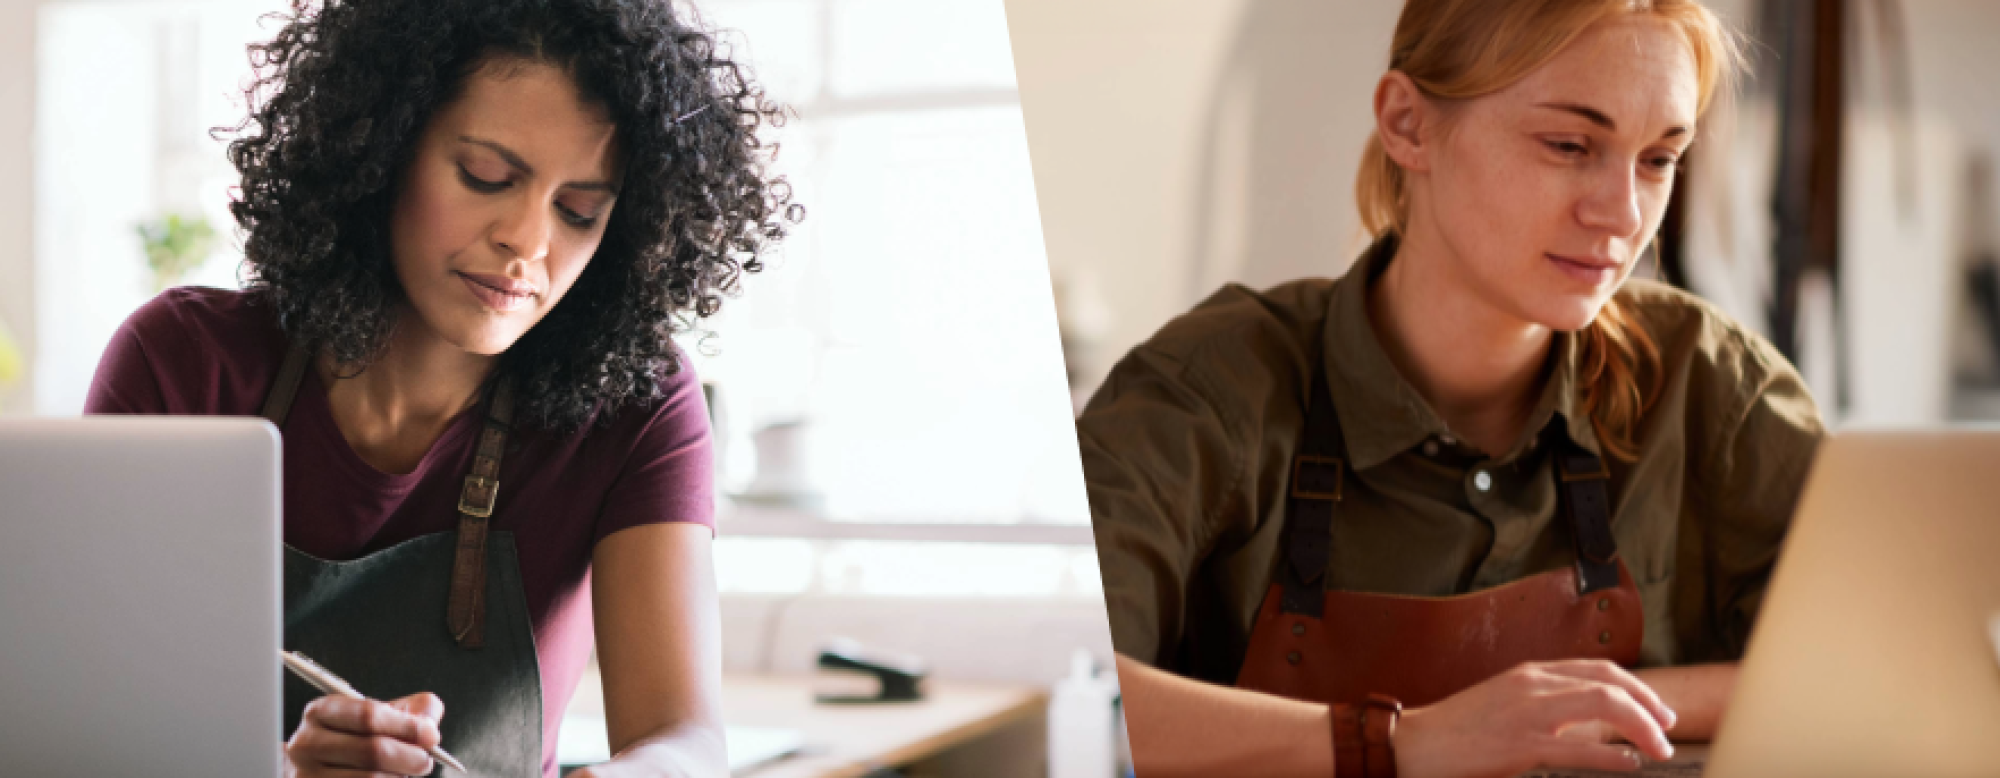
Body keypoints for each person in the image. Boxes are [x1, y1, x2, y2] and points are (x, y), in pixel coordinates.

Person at [1077, 1, 1825, 776]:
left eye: (1658, 159)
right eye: (1570, 145)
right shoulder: (1205, 393)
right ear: (1408, 124)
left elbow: (1891, 665)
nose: (1623, 213)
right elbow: (1059, 695)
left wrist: (1571, 705)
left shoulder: (1716, 391)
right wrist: (1401, 741)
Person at [85, 0, 800, 775]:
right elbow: (92, 724)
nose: (528, 241)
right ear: (381, 149)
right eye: (486, 176)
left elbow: (686, 742)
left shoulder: (636, 409)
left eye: (579, 211)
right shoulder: (184, 365)